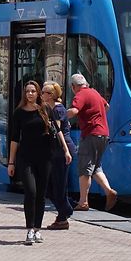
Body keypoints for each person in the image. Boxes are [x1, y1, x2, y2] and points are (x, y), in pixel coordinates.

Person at [8, 81, 54, 245]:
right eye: (27, 91)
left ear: (38, 93)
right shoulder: (19, 113)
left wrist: (66, 150)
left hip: (45, 158)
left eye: (33, 91)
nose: (30, 94)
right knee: (31, 192)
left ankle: (37, 230)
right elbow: (14, 138)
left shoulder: (46, 110)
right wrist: (11, 162)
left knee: (41, 195)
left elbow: (57, 130)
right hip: (25, 158)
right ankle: (29, 229)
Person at [66, 73, 117, 211]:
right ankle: (109, 191)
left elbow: (74, 111)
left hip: (91, 134)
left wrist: (61, 115)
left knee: (85, 168)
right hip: (104, 134)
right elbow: (107, 107)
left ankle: (83, 202)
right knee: (96, 167)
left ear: (73, 86)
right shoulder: (94, 92)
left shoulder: (80, 94)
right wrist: (96, 117)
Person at [41, 81, 75, 230]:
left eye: (44, 92)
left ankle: (66, 211)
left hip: (61, 149)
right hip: (56, 149)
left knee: (57, 184)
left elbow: (57, 130)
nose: (41, 95)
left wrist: (66, 150)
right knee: (53, 185)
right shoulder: (50, 108)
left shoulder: (58, 110)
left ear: (51, 95)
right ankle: (63, 215)